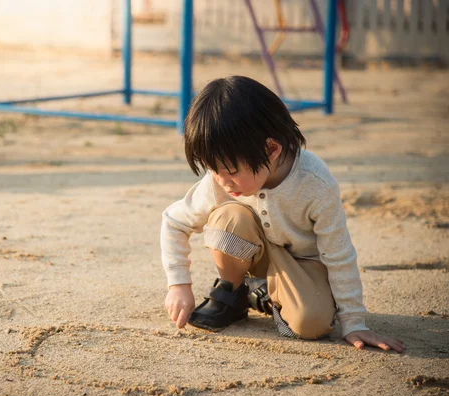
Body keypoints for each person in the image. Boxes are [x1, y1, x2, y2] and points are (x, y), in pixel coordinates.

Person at [160, 76, 405, 352]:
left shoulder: (315, 184)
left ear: (271, 149)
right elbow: (174, 222)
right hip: (255, 251)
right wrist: (178, 284)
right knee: (227, 220)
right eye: (212, 169)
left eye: (229, 172)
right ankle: (233, 290)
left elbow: (339, 254)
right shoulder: (220, 179)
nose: (221, 180)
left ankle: (265, 296)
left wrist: (354, 322)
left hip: (304, 265)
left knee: (310, 325)